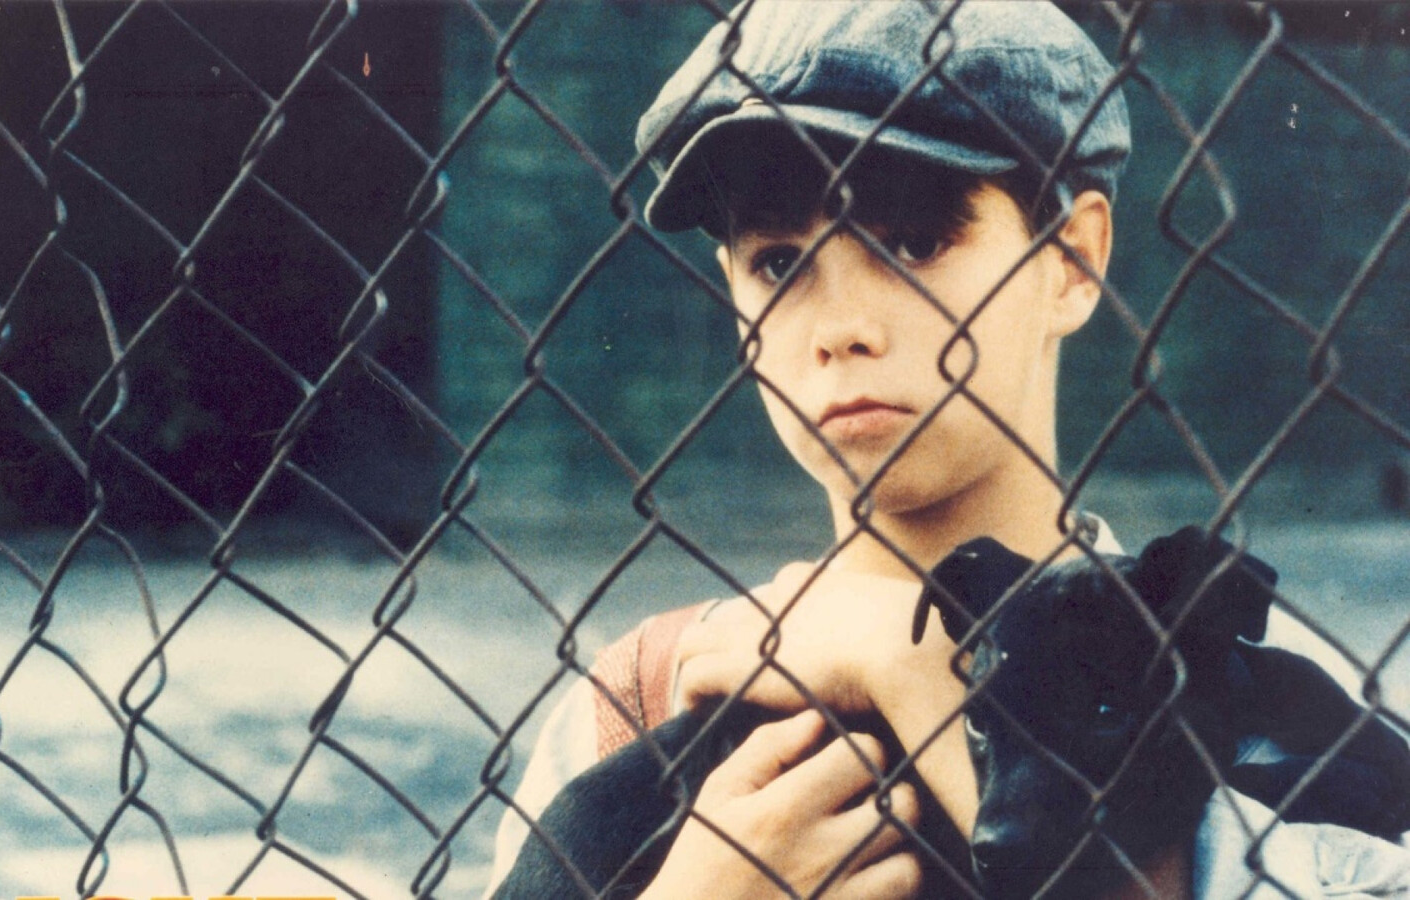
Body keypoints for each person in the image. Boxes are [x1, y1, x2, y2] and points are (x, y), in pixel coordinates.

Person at [484, 2, 1410, 897]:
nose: (840, 327)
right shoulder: (640, 697)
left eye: (915, 242)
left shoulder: (1261, 702)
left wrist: (907, 668)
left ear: (1072, 260)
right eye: (779, 262)